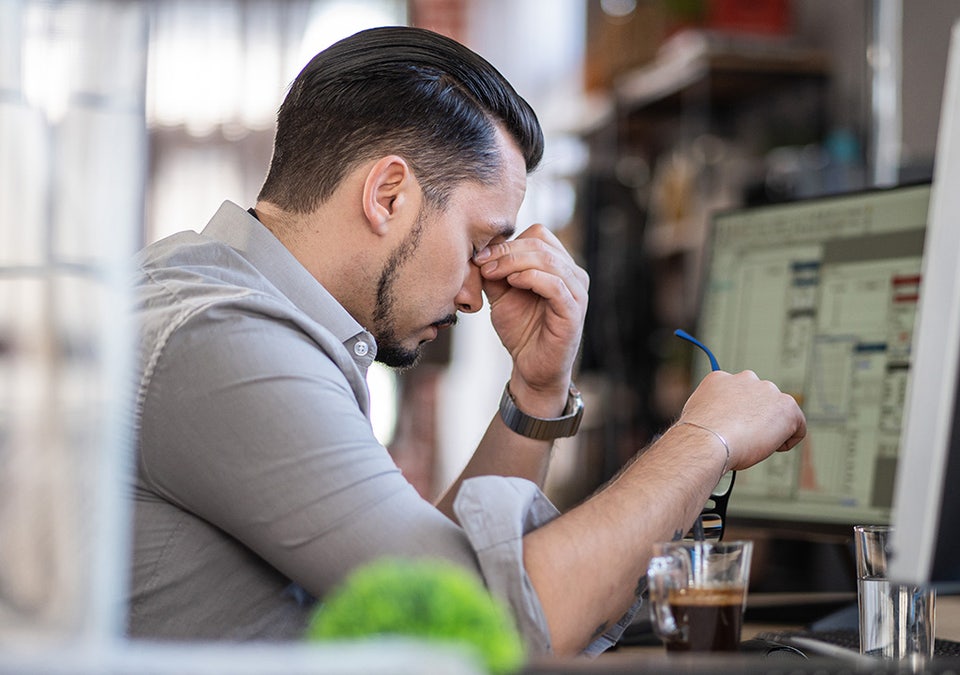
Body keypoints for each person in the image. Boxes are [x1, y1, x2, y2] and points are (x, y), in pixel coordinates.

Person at [129, 25, 806, 657]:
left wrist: (535, 394)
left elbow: (428, 596)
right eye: (480, 242)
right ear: (389, 195)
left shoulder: (238, 312)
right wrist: (703, 439)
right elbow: (484, 626)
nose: (475, 295)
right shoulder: (226, 340)